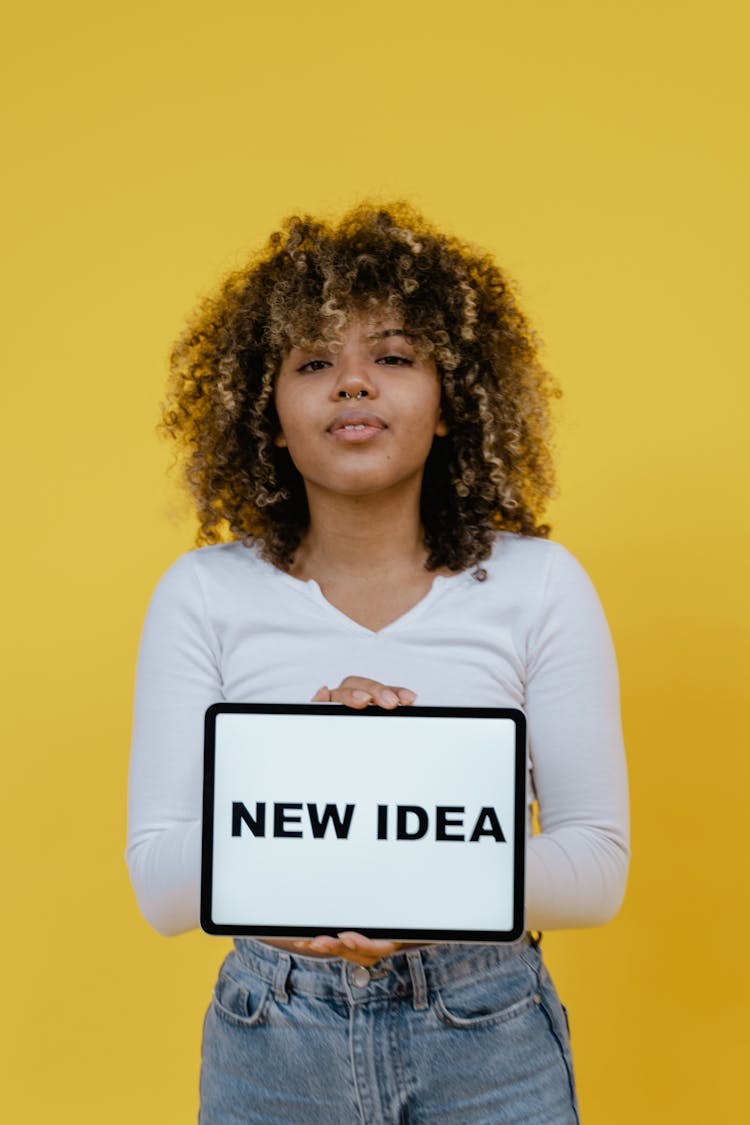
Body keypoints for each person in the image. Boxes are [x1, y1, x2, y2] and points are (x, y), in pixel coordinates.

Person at [126, 202, 629, 1124]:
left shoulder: (540, 586)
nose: (353, 383)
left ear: (450, 406)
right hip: (271, 1032)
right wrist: (319, 779)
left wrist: (404, 867)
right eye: (314, 362)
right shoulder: (202, 594)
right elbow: (159, 880)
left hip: (489, 1030)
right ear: (266, 417)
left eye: (393, 357)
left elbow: (597, 865)